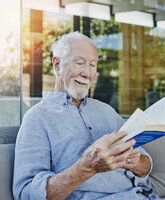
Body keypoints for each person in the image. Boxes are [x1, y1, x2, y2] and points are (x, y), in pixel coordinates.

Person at [13, 32, 162, 200]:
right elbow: (25, 193)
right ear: (57, 65)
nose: (87, 73)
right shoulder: (37, 118)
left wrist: (135, 161)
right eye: (79, 63)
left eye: (92, 65)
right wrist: (87, 167)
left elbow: (145, 167)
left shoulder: (106, 111)